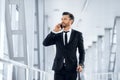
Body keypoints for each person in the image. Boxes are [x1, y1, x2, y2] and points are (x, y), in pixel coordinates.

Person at [43, 12, 85, 80]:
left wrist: (81, 64)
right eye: (62, 19)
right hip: (58, 68)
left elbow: (82, 51)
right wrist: (54, 31)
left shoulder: (78, 35)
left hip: (72, 68)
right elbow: (45, 43)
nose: (62, 21)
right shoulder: (57, 35)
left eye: (65, 19)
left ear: (71, 21)